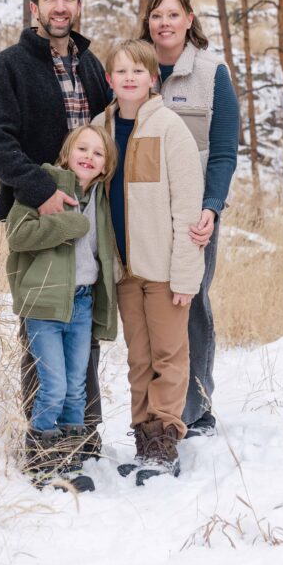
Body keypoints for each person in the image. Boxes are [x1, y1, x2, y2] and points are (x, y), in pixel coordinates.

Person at [0, 0, 111, 458]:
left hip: (91, 215)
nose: (61, 7)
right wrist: (40, 191)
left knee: (83, 328)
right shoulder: (9, 66)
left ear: (78, 5)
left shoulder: (91, 66)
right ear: (34, 7)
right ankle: (44, 447)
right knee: (43, 331)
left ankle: (83, 438)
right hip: (38, 215)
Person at [93, 39, 204, 484]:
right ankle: (144, 437)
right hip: (124, 270)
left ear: (152, 77)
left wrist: (185, 273)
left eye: (138, 72)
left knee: (168, 355)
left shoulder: (169, 127)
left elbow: (186, 207)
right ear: (109, 80)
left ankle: (165, 440)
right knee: (138, 358)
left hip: (162, 269)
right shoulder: (100, 126)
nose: (130, 79)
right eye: (120, 72)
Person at [139, 0, 240, 438]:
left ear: (189, 19)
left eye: (173, 14)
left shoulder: (211, 71)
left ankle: (197, 408)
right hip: (143, 212)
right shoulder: (135, 66)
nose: (164, 23)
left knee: (192, 300)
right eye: (156, 14)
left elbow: (222, 152)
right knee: (148, 305)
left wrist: (211, 208)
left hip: (194, 215)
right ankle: (155, 410)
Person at [4, 125, 119, 490]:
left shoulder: (102, 198)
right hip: (45, 301)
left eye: (98, 153)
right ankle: (40, 459)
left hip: (82, 302)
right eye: (82, 148)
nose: (89, 157)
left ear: (105, 165)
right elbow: (18, 235)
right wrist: (69, 224)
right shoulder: (44, 184)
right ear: (67, 153)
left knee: (75, 388)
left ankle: (70, 458)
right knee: (52, 386)